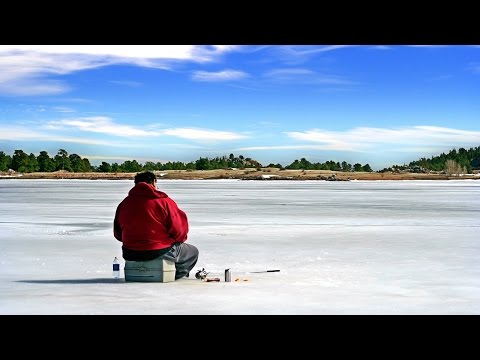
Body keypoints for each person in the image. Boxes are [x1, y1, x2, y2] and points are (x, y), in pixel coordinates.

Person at [114, 171, 198, 280]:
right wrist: (177, 241)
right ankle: (173, 275)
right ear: (154, 182)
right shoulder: (164, 202)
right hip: (159, 250)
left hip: (130, 252)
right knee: (192, 252)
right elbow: (179, 230)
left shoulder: (124, 204)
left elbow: (118, 234)